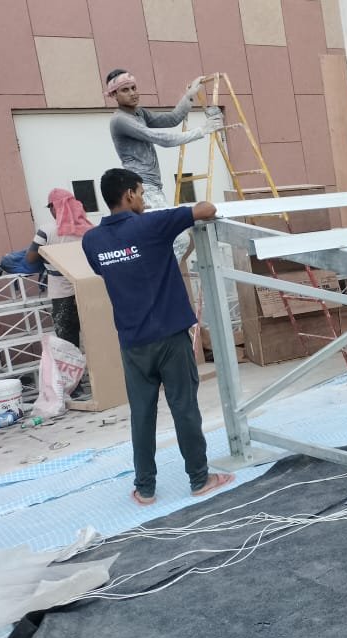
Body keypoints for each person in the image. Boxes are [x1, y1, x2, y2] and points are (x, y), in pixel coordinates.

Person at [82, 168, 234, 506]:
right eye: (140, 193)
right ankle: (200, 479)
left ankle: (145, 488)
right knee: (184, 408)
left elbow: (104, 270)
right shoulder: (152, 224)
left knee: (141, 414)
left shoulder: (91, 241)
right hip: (169, 337)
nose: (144, 200)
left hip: (133, 343)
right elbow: (206, 209)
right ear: (129, 195)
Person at [106, 69, 223, 259]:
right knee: (179, 240)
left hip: (151, 187)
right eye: (125, 90)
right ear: (114, 95)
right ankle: (160, 275)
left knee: (182, 236)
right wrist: (202, 131)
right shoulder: (120, 120)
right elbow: (162, 138)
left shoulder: (139, 113)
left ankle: (171, 272)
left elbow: (171, 119)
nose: (132, 93)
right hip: (142, 188)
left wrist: (189, 96)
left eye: (134, 88)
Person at [27, 189, 94, 349]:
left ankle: (73, 366)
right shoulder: (89, 228)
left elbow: (30, 258)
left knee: (68, 344)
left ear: (54, 207)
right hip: (89, 291)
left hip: (62, 295)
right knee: (96, 338)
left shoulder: (47, 230)